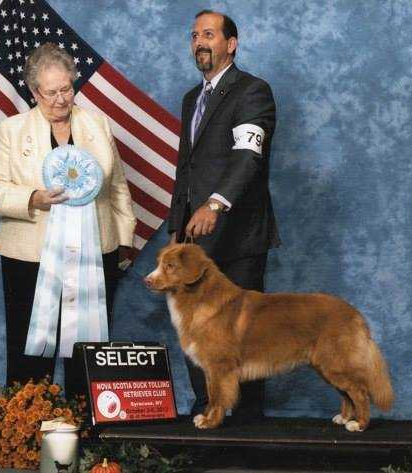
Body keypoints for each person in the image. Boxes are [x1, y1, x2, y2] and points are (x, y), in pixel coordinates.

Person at [0, 43, 136, 395]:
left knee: (87, 346)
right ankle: (26, 433)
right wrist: (33, 198)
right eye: (50, 92)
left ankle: (86, 427)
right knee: (29, 346)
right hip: (29, 256)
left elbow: (117, 185)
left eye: (67, 89)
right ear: (34, 91)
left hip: (97, 250)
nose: (61, 99)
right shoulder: (9, 130)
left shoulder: (97, 123)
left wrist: (125, 236)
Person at [168, 10, 280, 422]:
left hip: (239, 238)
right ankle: (206, 413)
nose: (200, 41)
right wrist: (176, 230)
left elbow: (248, 156)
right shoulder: (190, 99)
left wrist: (215, 204)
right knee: (196, 333)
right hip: (193, 243)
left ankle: (246, 425)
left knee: (244, 336)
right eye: (194, 34)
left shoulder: (253, 91)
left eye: (209, 34)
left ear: (231, 44)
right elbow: (187, 168)